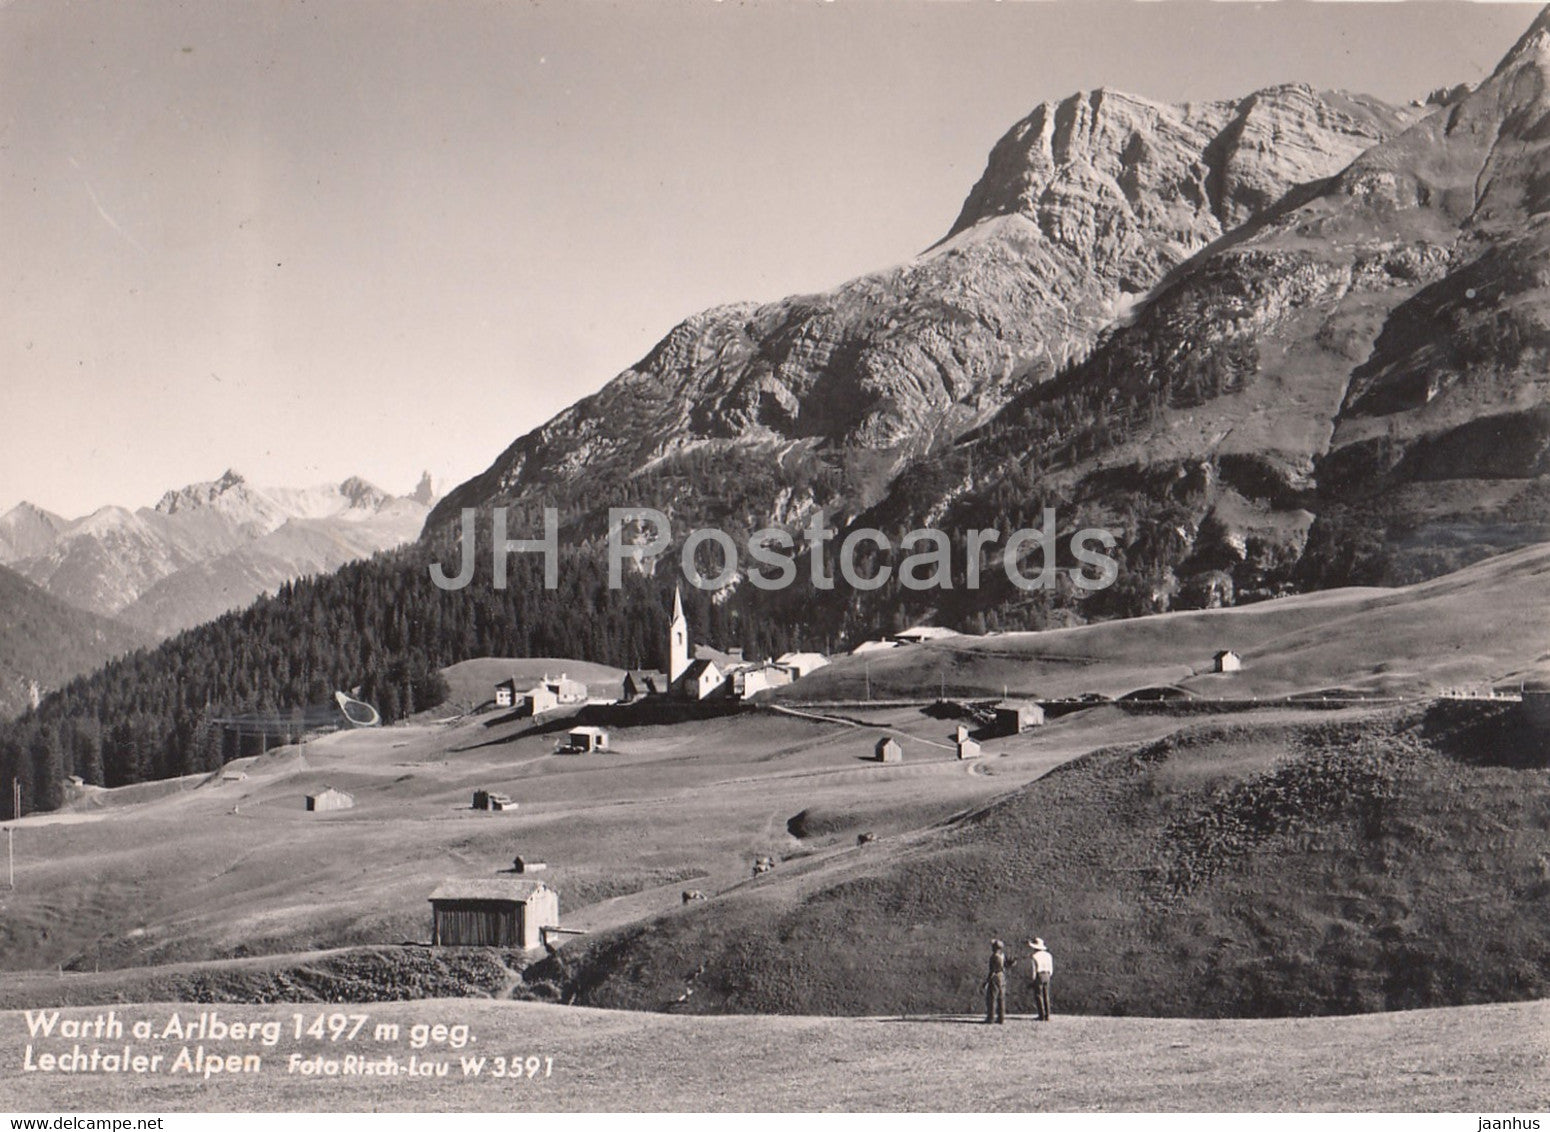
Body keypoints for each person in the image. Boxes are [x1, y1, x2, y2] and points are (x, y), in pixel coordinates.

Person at [1027, 938, 1054, 1021]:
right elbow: (1051, 968)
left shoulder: (1034, 956)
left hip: (1039, 975)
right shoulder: (1048, 955)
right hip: (1047, 974)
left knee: (1039, 995)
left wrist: (1033, 979)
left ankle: (1041, 1015)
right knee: (1046, 995)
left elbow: (1034, 970)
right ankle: (1047, 1015)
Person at [982, 939, 1008, 1024]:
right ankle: (1001, 1018)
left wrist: (987, 981)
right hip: (1002, 976)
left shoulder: (994, 957)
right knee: (1001, 998)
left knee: (992, 998)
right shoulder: (1003, 955)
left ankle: (991, 1018)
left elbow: (992, 970)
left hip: (995, 977)